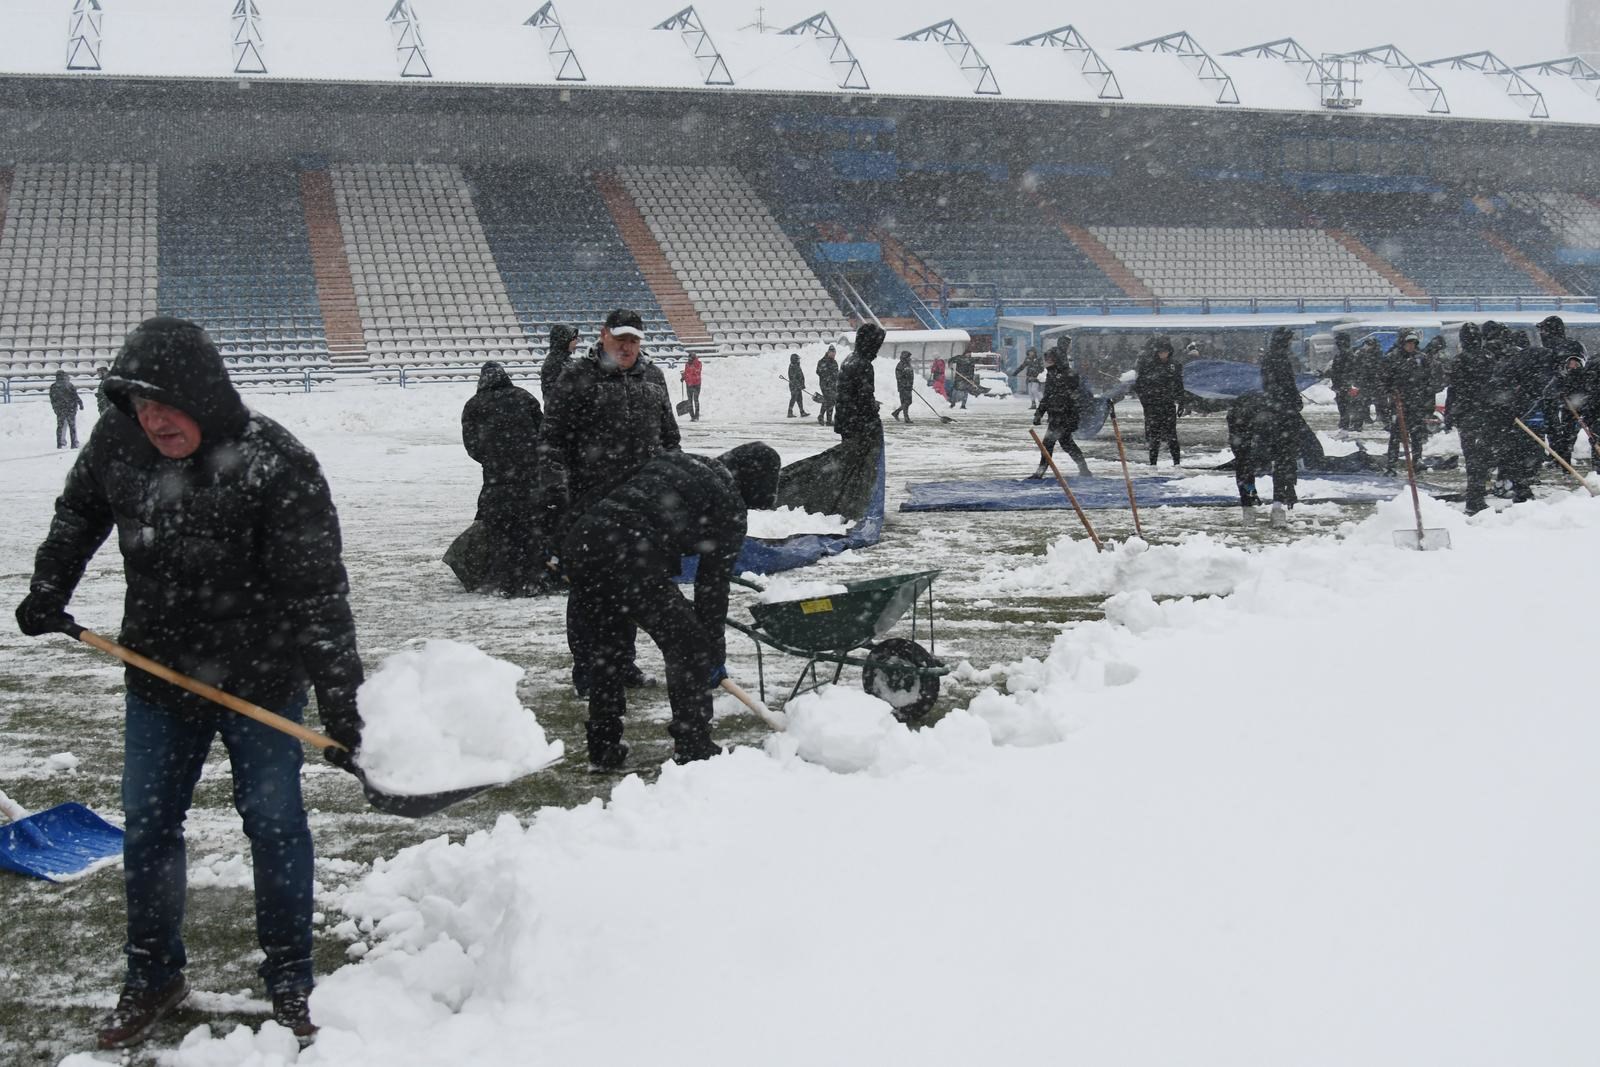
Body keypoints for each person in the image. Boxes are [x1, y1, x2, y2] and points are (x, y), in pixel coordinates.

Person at [14, 317, 364, 1048]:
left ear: (203, 396)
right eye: (140, 405)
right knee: (149, 825)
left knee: (274, 826)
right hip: (160, 671)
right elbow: (80, 510)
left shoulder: (276, 463)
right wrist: (51, 585)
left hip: (261, 682)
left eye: (166, 403)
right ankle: (152, 975)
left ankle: (291, 978)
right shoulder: (118, 443)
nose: (154, 420)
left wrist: (339, 699)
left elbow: (317, 591)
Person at [564, 443, 781, 768]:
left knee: (608, 650)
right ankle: (693, 743)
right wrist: (711, 651)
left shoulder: (676, 461)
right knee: (689, 646)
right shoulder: (729, 504)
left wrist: (563, 541)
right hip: (631, 554)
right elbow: (712, 586)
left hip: (584, 543)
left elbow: (603, 492)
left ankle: (603, 744)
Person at [540, 308, 680, 698]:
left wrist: (672, 484)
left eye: (633, 340)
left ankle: (623, 663)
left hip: (641, 506)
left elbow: (670, 438)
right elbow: (551, 442)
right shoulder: (576, 377)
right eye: (620, 339)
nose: (627, 347)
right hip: (590, 505)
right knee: (589, 592)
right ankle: (588, 671)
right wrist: (556, 496)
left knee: (629, 588)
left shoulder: (653, 378)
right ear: (603, 335)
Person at [458, 361, 546, 596]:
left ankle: (506, 581)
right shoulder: (524, 397)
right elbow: (543, 431)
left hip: (496, 479)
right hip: (529, 475)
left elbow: (471, 444)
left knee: (501, 531)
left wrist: (491, 459)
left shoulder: (474, 405)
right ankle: (532, 580)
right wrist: (531, 455)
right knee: (529, 528)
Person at [1443, 322, 1498, 514]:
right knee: (1482, 456)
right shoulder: (1488, 358)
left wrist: (1449, 414)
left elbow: (1453, 389)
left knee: (1473, 457)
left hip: (1468, 414)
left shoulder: (1460, 360)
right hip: (1484, 413)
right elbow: (1495, 386)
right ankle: (1477, 494)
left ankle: (1475, 496)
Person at [1381, 330, 1444, 476]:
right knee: (1396, 435)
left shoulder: (1421, 359)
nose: (1411, 346)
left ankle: (1417, 461)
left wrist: (1427, 399)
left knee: (1416, 434)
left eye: (1413, 343)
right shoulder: (1393, 358)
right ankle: (1391, 464)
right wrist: (1391, 391)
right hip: (1400, 404)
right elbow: (1384, 380)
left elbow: (1429, 380)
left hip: (1417, 403)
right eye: (1408, 343)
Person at [1260, 325, 1304, 522]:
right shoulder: (1279, 359)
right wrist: (1293, 401)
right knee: (1286, 454)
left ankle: (1285, 491)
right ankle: (1285, 491)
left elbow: (1272, 385)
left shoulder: (1270, 358)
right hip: (1283, 412)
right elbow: (1286, 385)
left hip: (1276, 410)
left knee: (1282, 456)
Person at [1030, 345, 1091, 479]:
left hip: (1065, 416)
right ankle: (1084, 469)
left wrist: (1067, 410)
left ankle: (1040, 471)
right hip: (1055, 415)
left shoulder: (1070, 375)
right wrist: (1039, 413)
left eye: (1050, 359)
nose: (1047, 361)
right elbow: (1048, 396)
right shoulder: (1052, 374)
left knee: (1048, 443)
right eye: (1047, 359)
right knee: (1067, 444)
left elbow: (1074, 396)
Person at [1134, 336, 1185, 466]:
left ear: (1169, 352)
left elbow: (1179, 384)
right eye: (1160, 351)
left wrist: (1181, 402)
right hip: (1153, 405)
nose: (1163, 354)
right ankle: (1153, 463)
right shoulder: (1148, 365)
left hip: (1168, 404)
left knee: (1172, 435)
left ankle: (1177, 462)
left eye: (1165, 351)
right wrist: (1145, 402)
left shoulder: (1175, 365)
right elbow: (1139, 385)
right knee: (1154, 436)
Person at [835, 323, 885, 443]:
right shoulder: (863, 365)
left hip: (847, 421)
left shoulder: (850, 359)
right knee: (860, 453)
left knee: (849, 452)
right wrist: (873, 409)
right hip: (858, 425)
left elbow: (849, 394)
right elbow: (864, 398)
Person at [1328, 333, 1364, 432]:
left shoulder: (1345, 355)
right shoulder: (1348, 354)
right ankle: (1351, 424)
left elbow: (1343, 371)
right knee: (1349, 406)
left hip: (1345, 386)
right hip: (1344, 385)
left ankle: (1347, 425)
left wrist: (1344, 384)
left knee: (1346, 407)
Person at [540, 323, 580, 399]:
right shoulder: (554, 362)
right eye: (573, 339)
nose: (576, 341)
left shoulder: (566, 359)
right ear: (563, 340)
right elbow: (553, 394)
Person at [49, 369, 84, 449]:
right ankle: (74, 443)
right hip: (70, 408)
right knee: (72, 427)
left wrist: (55, 408)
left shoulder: (53, 386)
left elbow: (52, 399)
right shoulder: (69, 385)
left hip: (60, 409)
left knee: (60, 427)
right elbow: (75, 396)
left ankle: (59, 443)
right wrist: (80, 404)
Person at [815, 345, 839, 425]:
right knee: (828, 400)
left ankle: (827, 419)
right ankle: (823, 417)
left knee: (831, 401)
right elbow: (818, 371)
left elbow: (837, 373)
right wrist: (827, 376)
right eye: (832, 353)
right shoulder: (822, 361)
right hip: (825, 384)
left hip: (833, 385)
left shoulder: (834, 362)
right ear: (828, 352)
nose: (833, 355)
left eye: (834, 353)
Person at [891, 351, 915, 422]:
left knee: (908, 402)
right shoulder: (900, 365)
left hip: (909, 386)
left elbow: (911, 375)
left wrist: (910, 384)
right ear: (905, 357)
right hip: (903, 387)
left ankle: (896, 413)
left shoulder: (908, 364)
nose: (909, 358)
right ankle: (906, 418)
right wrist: (906, 384)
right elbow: (899, 377)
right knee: (906, 402)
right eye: (908, 357)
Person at [680, 353, 703, 422]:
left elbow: (697, 372)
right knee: (689, 401)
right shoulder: (687, 364)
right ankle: (692, 416)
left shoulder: (698, 364)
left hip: (696, 384)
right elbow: (687, 372)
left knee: (696, 400)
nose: (689, 360)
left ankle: (697, 416)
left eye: (690, 359)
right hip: (689, 384)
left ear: (694, 358)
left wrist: (692, 365)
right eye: (688, 358)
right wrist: (683, 377)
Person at [786, 352, 809, 418]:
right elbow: (793, 377)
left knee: (800, 399)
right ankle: (789, 412)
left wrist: (802, 384)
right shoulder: (792, 367)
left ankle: (802, 412)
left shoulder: (797, 366)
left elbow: (800, 376)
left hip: (798, 386)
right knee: (793, 398)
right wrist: (797, 384)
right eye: (797, 359)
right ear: (794, 360)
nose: (799, 360)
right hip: (794, 386)